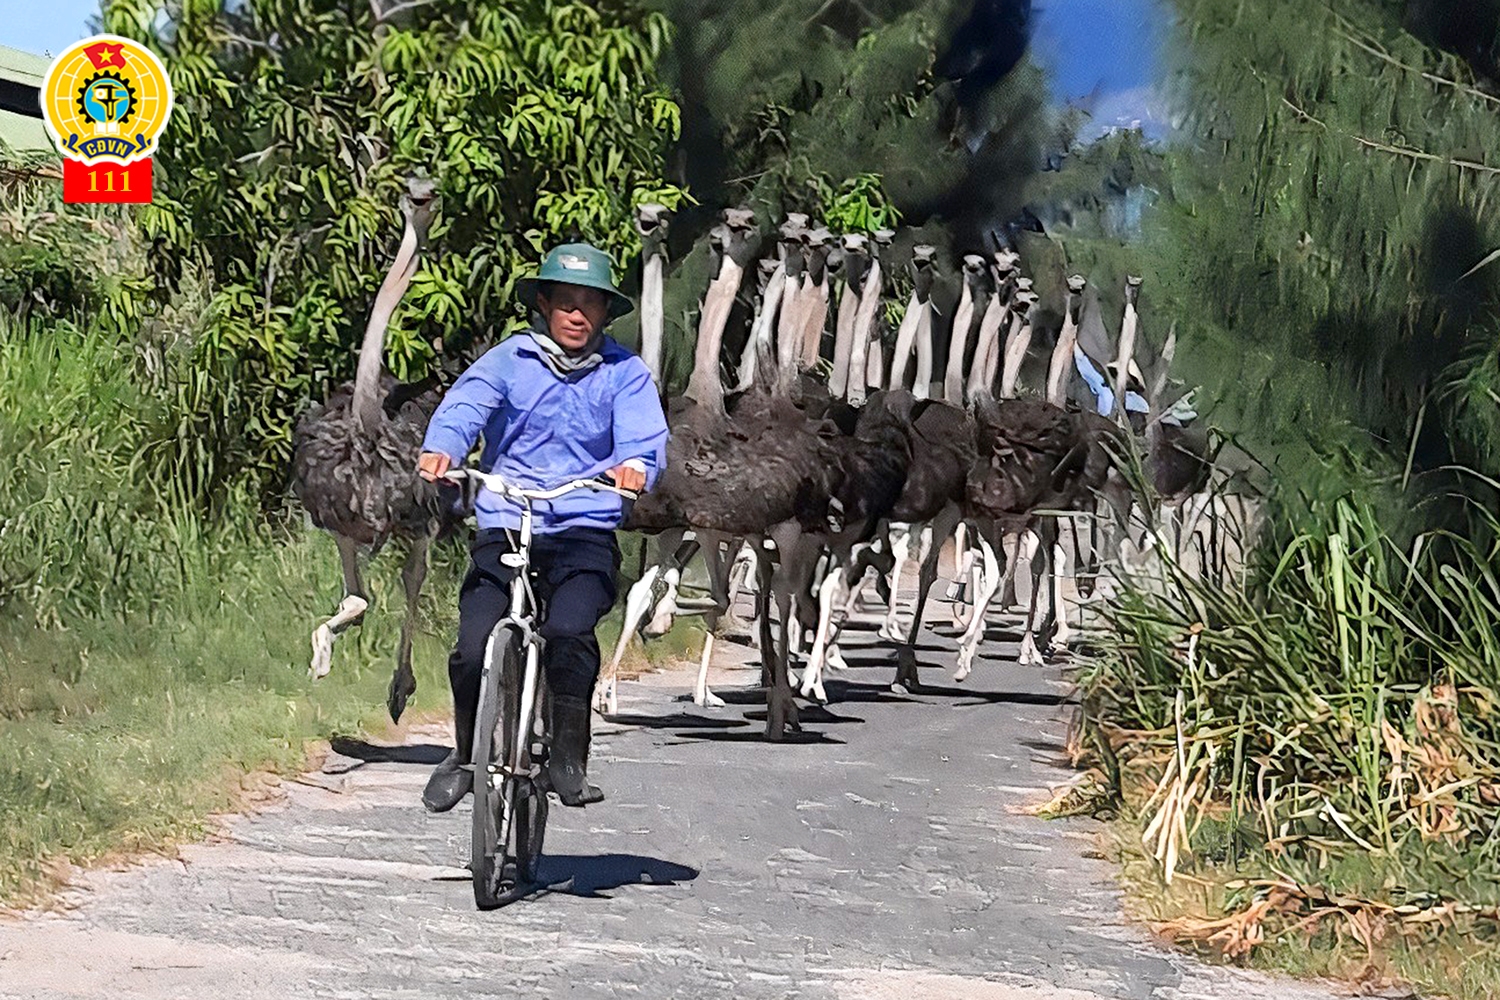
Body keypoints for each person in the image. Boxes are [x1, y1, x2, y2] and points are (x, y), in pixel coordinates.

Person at [416, 242, 669, 812]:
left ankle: (568, 758)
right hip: (509, 520)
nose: (578, 316)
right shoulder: (510, 360)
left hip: (585, 526)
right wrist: (442, 448)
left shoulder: (625, 374)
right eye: (566, 303)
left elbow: (644, 438)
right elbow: (466, 407)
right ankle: (463, 754)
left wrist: (635, 467)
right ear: (544, 305)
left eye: (591, 305)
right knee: (473, 644)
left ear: (606, 313)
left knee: (570, 630)